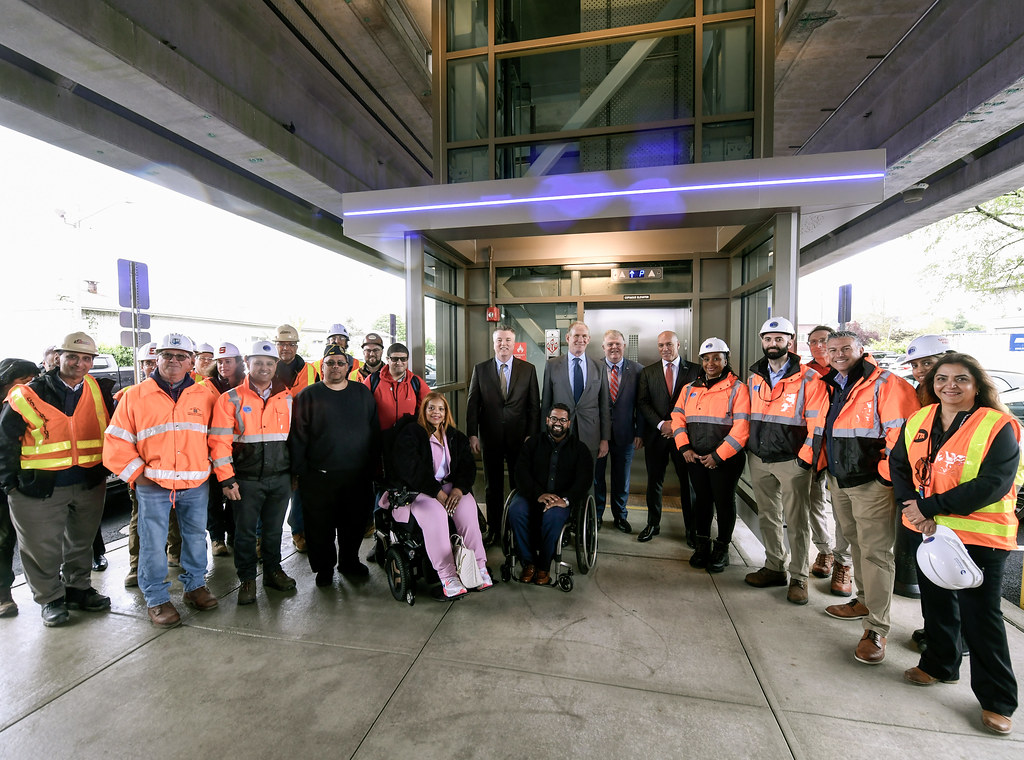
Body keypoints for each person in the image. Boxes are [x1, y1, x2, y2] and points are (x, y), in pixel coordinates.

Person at [890, 354, 1021, 736]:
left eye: (961, 379)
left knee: (981, 617)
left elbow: (993, 483)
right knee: (936, 603)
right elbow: (899, 464)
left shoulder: (999, 425)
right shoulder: (920, 419)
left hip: (979, 536)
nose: (950, 386)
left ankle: (997, 701)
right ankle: (939, 665)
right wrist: (910, 507)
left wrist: (929, 507)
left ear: (976, 384)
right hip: (929, 531)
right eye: (942, 379)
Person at [814, 330, 919, 665]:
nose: (839, 354)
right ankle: (863, 601)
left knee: (876, 554)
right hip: (840, 479)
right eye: (832, 350)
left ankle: (877, 627)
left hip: (871, 484)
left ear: (861, 350)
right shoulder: (833, 383)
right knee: (856, 543)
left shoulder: (887, 385)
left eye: (846, 348)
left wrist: (882, 478)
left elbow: (903, 438)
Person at [103, 333, 221, 628]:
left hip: (195, 484)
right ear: (157, 358)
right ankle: (156, 599)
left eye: (181, 356)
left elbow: (218, 438)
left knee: (195, 539)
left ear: (192, 362)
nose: (174, 361)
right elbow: (116, 442)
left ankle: (195, 586)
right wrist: (138, 475)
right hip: (153, 486)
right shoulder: (135, 396)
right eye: (168, 355)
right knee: (153, 544)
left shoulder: (206, 395)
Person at [0, 333, 115, 627]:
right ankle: (50, 599)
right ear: (57, 357)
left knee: (81, 542)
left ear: (92, 361)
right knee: (41, 548)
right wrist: (10, 483)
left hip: (88, 480)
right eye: (72, 357)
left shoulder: (98, 389)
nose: (79, 363)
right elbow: (5, 439)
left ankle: (78, 589)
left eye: (86, 358)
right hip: (37, 487)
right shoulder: (27, 393)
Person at [744, 317, 827, 605]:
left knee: (797, 520)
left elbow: (818, 424)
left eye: (779, 339)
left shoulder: (809, 378)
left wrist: (805, 460)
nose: (773, 344)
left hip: (792, 460)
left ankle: (799, 577)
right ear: (762, 342)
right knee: (768, 515)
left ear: (790, 342)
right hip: (759, 458)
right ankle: (774, 566)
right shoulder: (754, 377)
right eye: (768, 339)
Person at [210, 341, 296, 605]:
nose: (264, 368)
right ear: (248, 363)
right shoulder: (231, 398)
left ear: (276, 366)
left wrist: (293, 474)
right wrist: (226, 479)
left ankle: (272, 571)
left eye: (270, 363)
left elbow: (295, 438)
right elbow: (219, 442)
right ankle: (247, 579)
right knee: (245, 533)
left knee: (273, 531)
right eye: (258, 362)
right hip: (245, 480)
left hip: (279, 477)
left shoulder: (288, 397)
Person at [290, 347, 379, 586]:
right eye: (330, 363)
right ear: (322, 367)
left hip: (357, 475)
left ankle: (349, 561)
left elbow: (373, 432)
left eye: (340, 363)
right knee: (321, 527)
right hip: (319, 477)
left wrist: (374, 469)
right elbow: (298, 437)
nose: (336, 367)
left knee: (354, 523)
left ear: (348, 367)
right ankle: (325, 568)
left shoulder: (363, 393)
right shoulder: (308, 396)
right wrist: (299, 471)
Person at [391, 391, 492, 598]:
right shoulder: (412, 433)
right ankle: (448, 577)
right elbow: (411, 469)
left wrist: (458, 489)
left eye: (441, 409)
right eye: (431, 408)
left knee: (467, 511)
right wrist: (436, 492)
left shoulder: (455, 436)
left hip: (450, 487)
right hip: (421, 491)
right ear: (424, 410)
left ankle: (479, 568)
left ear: (446, 413)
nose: (436, 412)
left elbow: (467, 467)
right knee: (436, 516)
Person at [671, 337, 749, 573]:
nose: (711, 363)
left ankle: (722, 549)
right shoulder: (689, 389)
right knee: (702, 502)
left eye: (716, 358)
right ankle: (702, 544)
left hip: (725, 460)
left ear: (726, 360)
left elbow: (742, 427)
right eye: (706, 359)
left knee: (724, 503)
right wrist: (684, 447)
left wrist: (718, 455)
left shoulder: (738, 388)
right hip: (695, 458)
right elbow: (677, 418)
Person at [466, 324, 540, 545]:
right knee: (492, 486)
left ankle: (516, 529)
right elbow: (473, 405)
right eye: (499, 340)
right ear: (493, 343)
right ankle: (495, 530)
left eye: (508, 340)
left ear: (514, 343)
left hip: (520, 439)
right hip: (491, 437)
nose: (503, 344)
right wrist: (472, 434)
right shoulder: (481, 369)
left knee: (520, 483)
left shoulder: (528, 369)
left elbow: (534, 406)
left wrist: (531, 435)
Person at [507, 403, 593, 586]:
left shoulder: (580, 449)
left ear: (568, 423)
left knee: (553, 516)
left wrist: (566, 500)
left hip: (560, 500)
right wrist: (537, 494)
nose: (557, 423)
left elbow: (584, 480)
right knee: (515, 510)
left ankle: (544, 566)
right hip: (531, 494)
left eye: (562, 420)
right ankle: (528, 563)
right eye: (554, 418)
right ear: (547, 420)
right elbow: (520, 472)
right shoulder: (532, 443)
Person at [637, 331, 699, 544]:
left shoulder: (695, 370)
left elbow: (698, 403)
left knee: (687, 483)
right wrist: (662, 424)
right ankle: (653, 523)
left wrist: (678, 426)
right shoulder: (648, 372)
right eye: (661, 345)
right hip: (657, 436)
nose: (665, 349)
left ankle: (692, 530)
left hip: (685, 438)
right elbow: (643, 402)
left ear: (678, 345)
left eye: (669, 344)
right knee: (654, 481)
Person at [804, 324, 850, 592]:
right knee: (814, 502)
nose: (819, 346)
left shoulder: (851, 373)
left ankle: (844, 562)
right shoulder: (806, 373)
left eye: (824, 342)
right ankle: (825, 551)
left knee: (843, 511)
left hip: (843, 454)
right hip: (813, 450)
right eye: (813, 342)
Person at [0, 358, 41, 618]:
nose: (29, 387)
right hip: (6, 483)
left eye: (32, 381)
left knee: (39, 540)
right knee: (3, 540)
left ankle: (50, 586)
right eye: (24, 382)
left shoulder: (33, 404)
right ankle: (3, 594)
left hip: (29, 482)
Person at [274, 323, 320, 553]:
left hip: (304, 436)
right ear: (276, 345)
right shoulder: (267, 367)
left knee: (300, 487)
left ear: (296, 346)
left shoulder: (311, 370)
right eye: (282, 344)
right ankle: (263, 538)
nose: (286, 348)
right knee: (274, 488)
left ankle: (298, 531)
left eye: (291, 344)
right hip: (273, 437)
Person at [540, 321, 610, 465]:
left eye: (584, 336)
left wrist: (604, 439)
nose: (580, 339)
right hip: (559, 433)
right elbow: (546, 403)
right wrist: (544, 436)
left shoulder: (600, 366)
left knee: (587, 479)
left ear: (589, 339)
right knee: (561, 477)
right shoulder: (552, 365)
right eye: (576, 335)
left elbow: (604, 405)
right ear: (567, 338)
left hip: (591, 435)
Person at [594, 329, 643, 533]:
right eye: (610, 344)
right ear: (603, 347)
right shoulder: (593, 368)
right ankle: (595, 515)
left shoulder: (638, 370)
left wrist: (640, 431)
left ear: (624, 346)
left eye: (618, 344)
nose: (614, 347)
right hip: (597, 435)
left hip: (625, 434)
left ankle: (620, 516)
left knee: (621, 477)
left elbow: (641, 404)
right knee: (596, 477)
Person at [364, 342, 429, 431]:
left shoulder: (416, 382)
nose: (399, 362)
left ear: (407, 360)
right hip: (380, 437)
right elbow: (360, 406)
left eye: (403, 359)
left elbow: (430, 405)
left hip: (408, 437)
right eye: (394, 359)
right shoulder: (373, 380)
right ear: (388, 359)